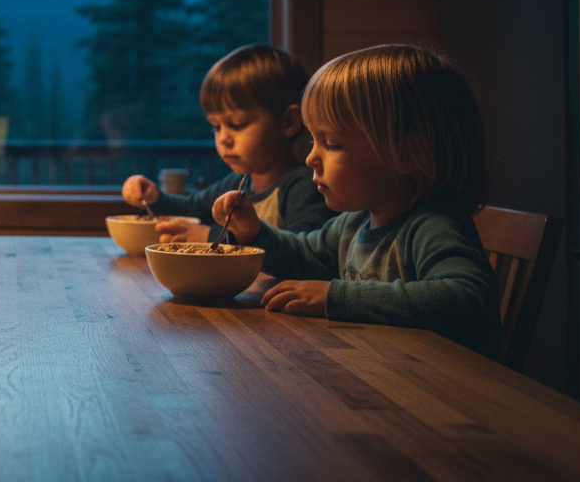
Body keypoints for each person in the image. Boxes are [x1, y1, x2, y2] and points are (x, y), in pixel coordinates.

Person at [180, 44, 502, 358]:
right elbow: (303, 256)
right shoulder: (356, 222)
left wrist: (336, 296)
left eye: (331, 143)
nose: (310, 159)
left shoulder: (432, 226)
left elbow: (467, 297)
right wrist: (254, 234)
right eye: (313, 140)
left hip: (448, 395)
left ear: (407, 154)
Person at [121, 45, 333, 243]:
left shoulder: (305, 187)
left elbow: (298, 250)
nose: (223, 138)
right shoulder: (239, 183)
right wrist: (153, 197)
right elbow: (190, 209)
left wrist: (210, 237)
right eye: (216, 126)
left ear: (290, 122)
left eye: (237, 124)